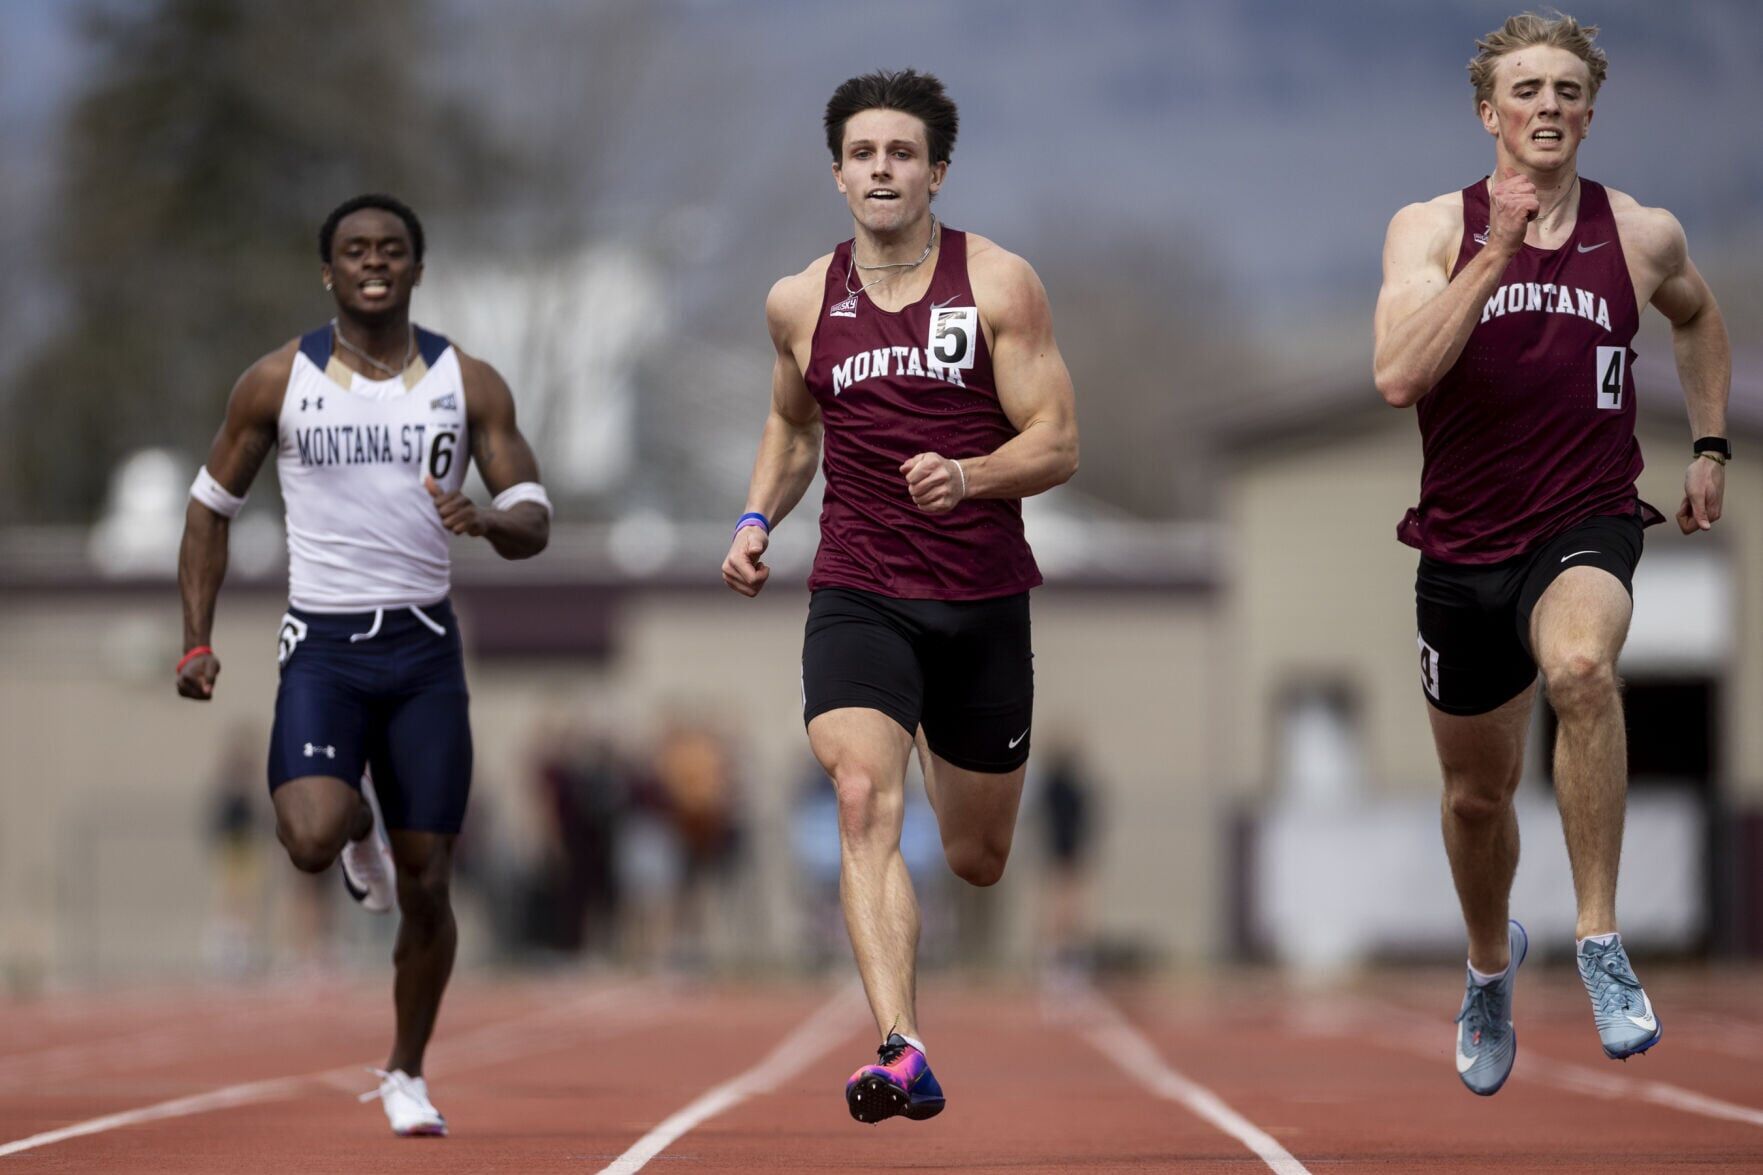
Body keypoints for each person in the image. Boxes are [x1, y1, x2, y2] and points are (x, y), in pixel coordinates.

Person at [1372, 14, 1730, 1096]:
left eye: (1566, 90)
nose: (1546, 107)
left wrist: (1707, 443)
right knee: (1475, 797)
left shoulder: (1638, 233)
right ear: (1488, 113)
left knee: (1581, 666)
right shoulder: (1430, 227)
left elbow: (1698, 317)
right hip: (1460, 544)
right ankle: (1489, 962)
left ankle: (1598, 941)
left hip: (1583, 517)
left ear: (1588, 111)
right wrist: (1492, 252)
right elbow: (1395, 374)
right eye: (1525, 89)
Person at [721, 68, 1079, 1124]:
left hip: (978, 598)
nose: (883, 170)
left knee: (975, 857)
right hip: (858, 587)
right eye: (864, 154)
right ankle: (900, 1042)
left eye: (902, 154)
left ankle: (940, 749)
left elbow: (1056, 441)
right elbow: (792, 430)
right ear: (837, 174)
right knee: (858, 795)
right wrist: (753, 521)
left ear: (935, 173)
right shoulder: (798, 300)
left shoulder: (999, 284)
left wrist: (968, 475)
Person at [176, 193, 553, 1134]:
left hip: (424, 650)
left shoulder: (470, 383)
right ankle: (356, 839)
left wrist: (489, 518)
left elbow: (536, 516)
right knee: (307, 835)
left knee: (428, 886)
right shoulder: (274, 382)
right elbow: (207, 510)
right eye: (355, 250)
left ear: (417, 268)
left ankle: (407, 1071)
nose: (373, 262)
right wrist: (196, 637)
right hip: (326, 647)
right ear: (328, 271)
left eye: (391, 249)